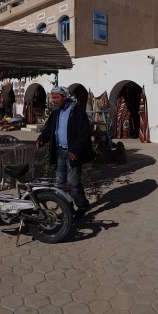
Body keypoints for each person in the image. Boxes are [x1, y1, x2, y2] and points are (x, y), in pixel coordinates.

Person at [35, 86, 94, 220]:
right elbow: (48, 129)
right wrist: (41, 139)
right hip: (60, 152)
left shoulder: (77, 111)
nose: (53, 100)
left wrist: (75, 149)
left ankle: (82, 205)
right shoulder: (56, 113)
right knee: (60, 184)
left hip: (72, 153)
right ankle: (67, 207)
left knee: (73, 184)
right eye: (52, 97)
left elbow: (84, 133)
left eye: (56, 97)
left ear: (65, 97)